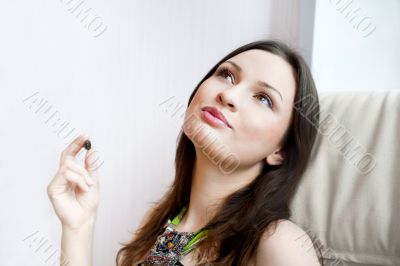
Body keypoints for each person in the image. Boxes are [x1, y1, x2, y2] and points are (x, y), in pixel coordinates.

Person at [47, 39, 323, 266]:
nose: (229, 95)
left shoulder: (278, 243)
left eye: (263, 98)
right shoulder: (168, 229)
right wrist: (78, 227)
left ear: (281, 151)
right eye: (227, 75)